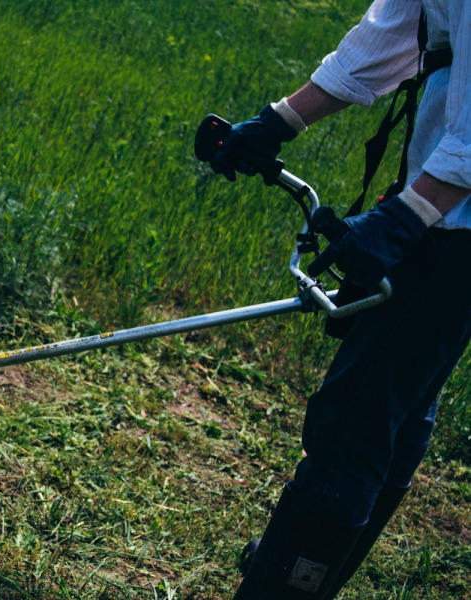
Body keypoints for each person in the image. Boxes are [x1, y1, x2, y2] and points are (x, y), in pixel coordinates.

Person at [206, 1, 471, 598]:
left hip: (455, 229)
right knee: (396, 412)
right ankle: (307, 571)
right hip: (442, 208)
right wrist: (276, 122)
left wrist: (405, 219)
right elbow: (396, 31)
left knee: (356, 419)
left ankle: (288, 583)